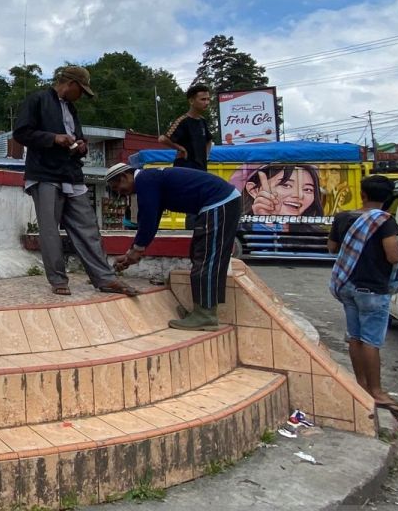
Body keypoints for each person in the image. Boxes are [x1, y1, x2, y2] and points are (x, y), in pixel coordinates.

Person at [12, 65, 136, 296]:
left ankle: (105, 278)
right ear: (71, 84)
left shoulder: (71, 109)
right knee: (50, 230)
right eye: (81, 91)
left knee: (87, 226)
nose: (81, 96)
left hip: (71, 173)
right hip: (45, 173)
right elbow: (21, 132)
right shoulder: (37, 100)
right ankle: (59, 280)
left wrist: (81, 145)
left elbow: (78, 137)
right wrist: (53, 138)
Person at [107, 162, 242, 330]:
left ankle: (205, 316)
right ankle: (201, 312)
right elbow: (150, 219)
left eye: (117, 187)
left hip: (219, 203)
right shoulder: (151, 180)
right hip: (218, 204)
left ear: (125, 176)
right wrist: (132, 252)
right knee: (199, 255)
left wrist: (137, 250)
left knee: (207, 258)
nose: (119, 192)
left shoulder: (144, 180)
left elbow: (148, 218)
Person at [326, 175, 398, 418]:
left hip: (346, 285)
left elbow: (332, 248)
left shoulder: (344, 217)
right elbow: (393, 256)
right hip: (373, 290)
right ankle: (376, 391)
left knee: (354, 338)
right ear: (387, 199)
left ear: (363, 194)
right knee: (371, 341)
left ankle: (361, 386)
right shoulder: (385, 222)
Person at [160, 84, 213, 170]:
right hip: (185, 169)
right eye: (203, 99)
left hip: (201, 169)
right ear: (191, 101)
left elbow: (209, 139)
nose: (207, 103)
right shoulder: (183, 121)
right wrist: (181, 149)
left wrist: (206, 157)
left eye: (208, 99)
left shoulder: (202, 121)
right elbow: (162, 139)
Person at [241, 163, 323, 218]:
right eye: (286, 185)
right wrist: (265, 220)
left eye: (308, 189)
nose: (299, 195)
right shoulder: (236, 226)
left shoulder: (319, 232)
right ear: (253, 190)